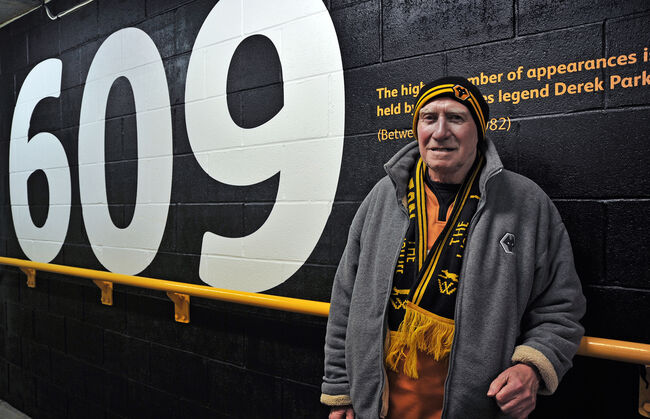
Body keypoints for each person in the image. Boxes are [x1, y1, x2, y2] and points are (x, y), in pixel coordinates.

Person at [321, 76, 586, 419]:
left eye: (457, 118)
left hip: (475, 408)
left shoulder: (527, 204)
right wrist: (341, 391)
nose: (440, 131)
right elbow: (345, 300)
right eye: (429, 118)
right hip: (377, 407)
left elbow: (560, 307)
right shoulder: (383, 198)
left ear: (480, 130)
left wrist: (533, 367)